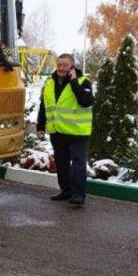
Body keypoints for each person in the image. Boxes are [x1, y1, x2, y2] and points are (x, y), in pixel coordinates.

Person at [36, 53, 94, 207]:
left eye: (65, 65)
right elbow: (44, 106)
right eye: (59, 64)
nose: (61, 68)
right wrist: (40, 126)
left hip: (77, 132)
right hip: (57, 131)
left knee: (78, 164)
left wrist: (74, 82)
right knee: (61, 164)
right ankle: (66, 191)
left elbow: (86, 101)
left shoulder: (83, 81)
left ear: (72, 67)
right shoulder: (49, 83)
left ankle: (78, 195)